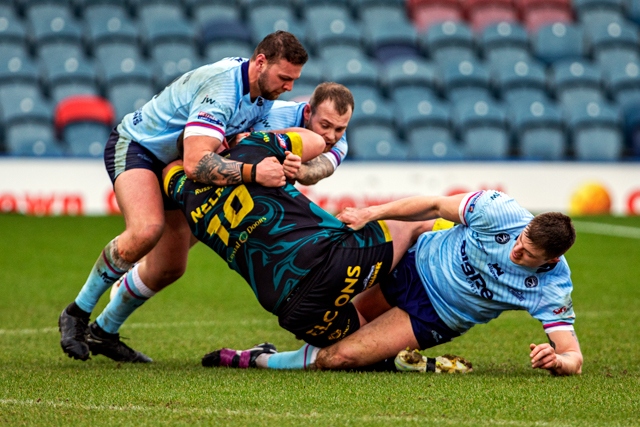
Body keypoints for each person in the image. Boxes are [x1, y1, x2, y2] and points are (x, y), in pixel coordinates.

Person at [58, 31, 309, 363]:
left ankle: (103, 333)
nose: (288, 87)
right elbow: (195, 164)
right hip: (139, 148)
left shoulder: (263, 93)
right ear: (261, 62)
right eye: (284, 78)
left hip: (172, 163)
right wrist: (254, 173)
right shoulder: (222, 88)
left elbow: (238, 144)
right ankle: (76, 313)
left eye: (294, 80)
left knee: (169, 267)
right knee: (146, 229)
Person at [209, 190, 583, 376]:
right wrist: (374, 212)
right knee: (328, 322)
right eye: (520, 239)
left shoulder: (552, 287)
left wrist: (557, 361)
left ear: (549, 260)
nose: (516, 249)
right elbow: (435, 206)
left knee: (337, 356)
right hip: (412, 261)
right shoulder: (501, 211)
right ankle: (400, 362)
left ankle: (255, 358)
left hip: (434, 315)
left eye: (527, 253)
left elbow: (574, 357)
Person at [160, 128, 434, 363]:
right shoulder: (253, 148)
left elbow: (169, 169)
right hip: (333, 261)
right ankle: (467, 248)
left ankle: (257, 360)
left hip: (294, 309)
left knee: (365, 346)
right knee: (412, 221)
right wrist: (250, 134)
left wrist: (188, 151)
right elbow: (315, 141)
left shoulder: (184, 195)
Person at [252, 82, 353, 185]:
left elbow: (319, 170)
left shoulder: (341, 141)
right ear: (307, 112)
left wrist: (296, 170)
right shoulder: (271, 116)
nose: (331, 136)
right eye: (325, 126)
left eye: (339, 129)